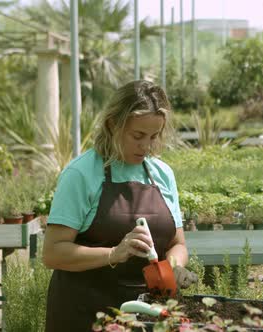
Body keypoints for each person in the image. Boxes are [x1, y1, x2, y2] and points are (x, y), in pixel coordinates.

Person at [42, 80, 195, 331]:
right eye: (137, 136)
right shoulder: (81, 174)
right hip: (85, 314)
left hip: (146, 315)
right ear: (113, 125)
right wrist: (115, 253)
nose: (146, 146)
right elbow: (52, 253)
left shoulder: (162, 174)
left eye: (153, 136)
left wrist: (174, 267)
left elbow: (177, 243)